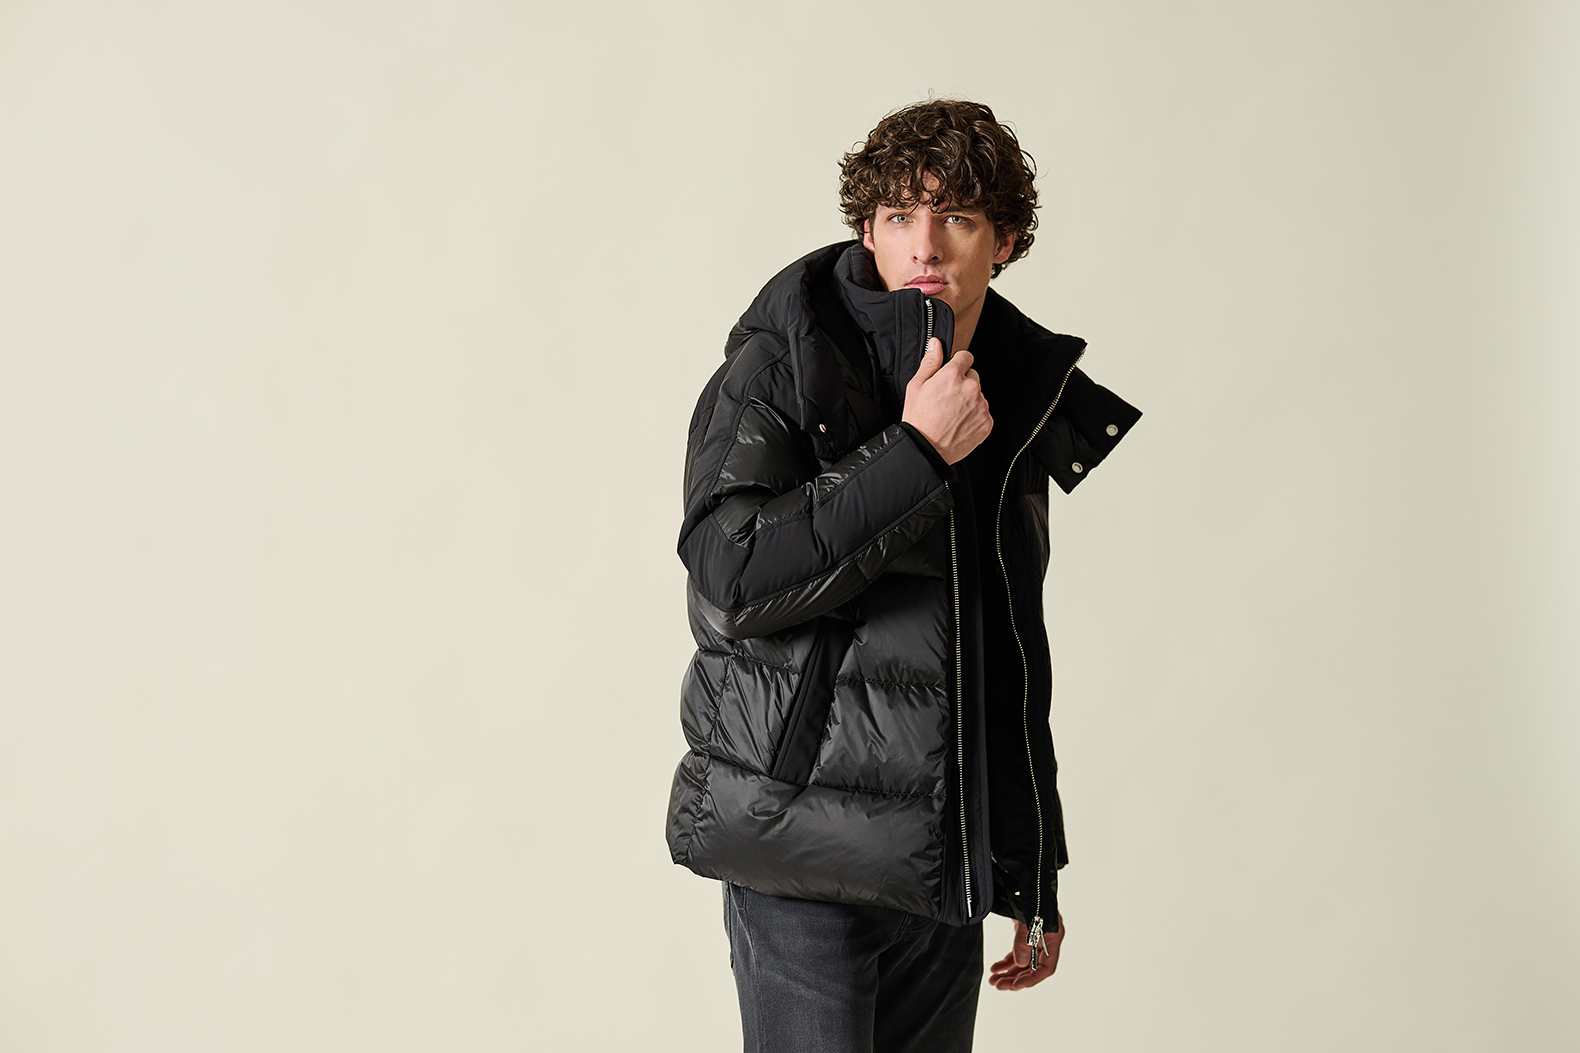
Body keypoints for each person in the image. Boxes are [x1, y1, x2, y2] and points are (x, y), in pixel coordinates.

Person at [665, 99, 1141, 1052]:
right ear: (867, 230)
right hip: (801, 859)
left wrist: (1028, 866)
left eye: (956, 216)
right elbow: (730, 575)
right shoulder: (782, 362)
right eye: (898, 216)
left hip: (937, 867)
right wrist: (914, 453)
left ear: (1003, 241)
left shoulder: (1011, 387)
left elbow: (1004, 644)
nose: (924, 245)